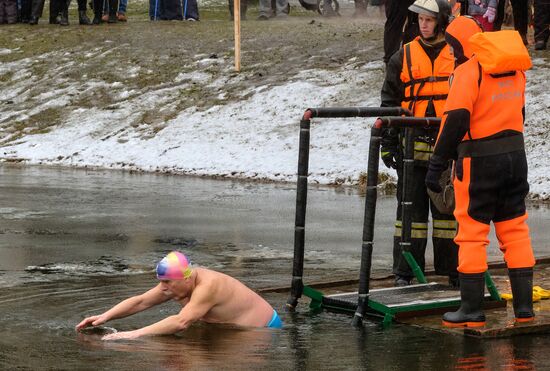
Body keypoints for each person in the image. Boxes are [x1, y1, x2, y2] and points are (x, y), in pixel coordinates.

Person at [426, 16, 535, 327]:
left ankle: (471, 310)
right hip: (516, 158)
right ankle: (524, 309)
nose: (449, 52)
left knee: (472, 233)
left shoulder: (468, 72)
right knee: (515, 230)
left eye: (451, 46)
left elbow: (455, 122)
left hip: (480, 163)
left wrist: (436, 165)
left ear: (461, 45)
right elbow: (520, 113)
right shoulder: (515, 69)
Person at [380, 0, 459, 287]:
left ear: (441, 21)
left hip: (446, 150)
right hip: (411, 151)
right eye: (420, 19)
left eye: (429, 19)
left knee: (447, 216)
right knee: (409, 216)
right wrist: (388, 143)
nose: (423, 24)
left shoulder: (456, 55)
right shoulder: (402, 56)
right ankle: (405, 272)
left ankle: (452, 271)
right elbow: (389, 102)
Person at [76, 252, 282, 340]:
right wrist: (105, 317)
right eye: (161, 281)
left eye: (167, 282)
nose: (162, 287)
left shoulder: (208, 286)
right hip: (230, 327)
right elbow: (141, 301)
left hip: (262, 330)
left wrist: (131, 335)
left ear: (186, 278)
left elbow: (181, 322)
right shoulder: (176, 283)